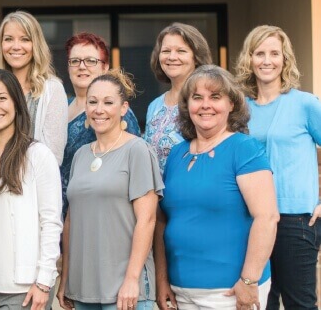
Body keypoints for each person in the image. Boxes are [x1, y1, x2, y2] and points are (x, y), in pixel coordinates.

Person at [154, 65, 279, 310]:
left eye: (215, 97)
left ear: (232, 104)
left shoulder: (244, 149)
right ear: (187, 105)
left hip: (230, 292)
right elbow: (161, 221)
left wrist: (248, 280)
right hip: (181, 292)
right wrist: (162, 280)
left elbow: (267, 217)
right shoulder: (177, 153)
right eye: (197, 98)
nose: (205, 105)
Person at [57, 70, 162, 310]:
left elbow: (147, 220)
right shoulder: (81, 155)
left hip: (124, 290)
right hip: (83, 290)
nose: (98, 109)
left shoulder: (138, 151)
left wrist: (132, 280)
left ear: (124, 108)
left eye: (108, 102)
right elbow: (71, 221)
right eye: (92, 102)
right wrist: (65, 280)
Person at [235, 25, 321, 310]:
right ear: (249, 59)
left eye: (275, 53)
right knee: (258, 303)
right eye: (259, 53)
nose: (267, 60)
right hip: (252, 220)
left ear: (285, 59)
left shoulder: (305, 104)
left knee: (299, 304)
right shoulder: (240, 110)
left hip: (295, 220)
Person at [0, 69, 62, 310]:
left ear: (17, 103)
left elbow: (51, 222)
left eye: (2, 98)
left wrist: (43, 283)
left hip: (24, 291)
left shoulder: (37, 155)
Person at [59, 32, 141, 219]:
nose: (82, 66)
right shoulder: (61, 107)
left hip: (101, 212)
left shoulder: (118, 111)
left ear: (104, 67)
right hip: (62, 215)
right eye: (75, 61)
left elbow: (131, 167)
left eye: (90, 61)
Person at [0, 11, 68, 164]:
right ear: (1, 44)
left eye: (25, 39)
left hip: (34, 184)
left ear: (36, 44)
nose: (16, 46)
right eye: (8, 39)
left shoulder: (52, 90)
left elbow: (53, 156)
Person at [143, 23, 212, 172]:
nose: (172, 57)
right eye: (166, 51)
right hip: (156, 194)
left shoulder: (207, 103)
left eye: (181, 51)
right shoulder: (154, 105)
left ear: (196, 57)